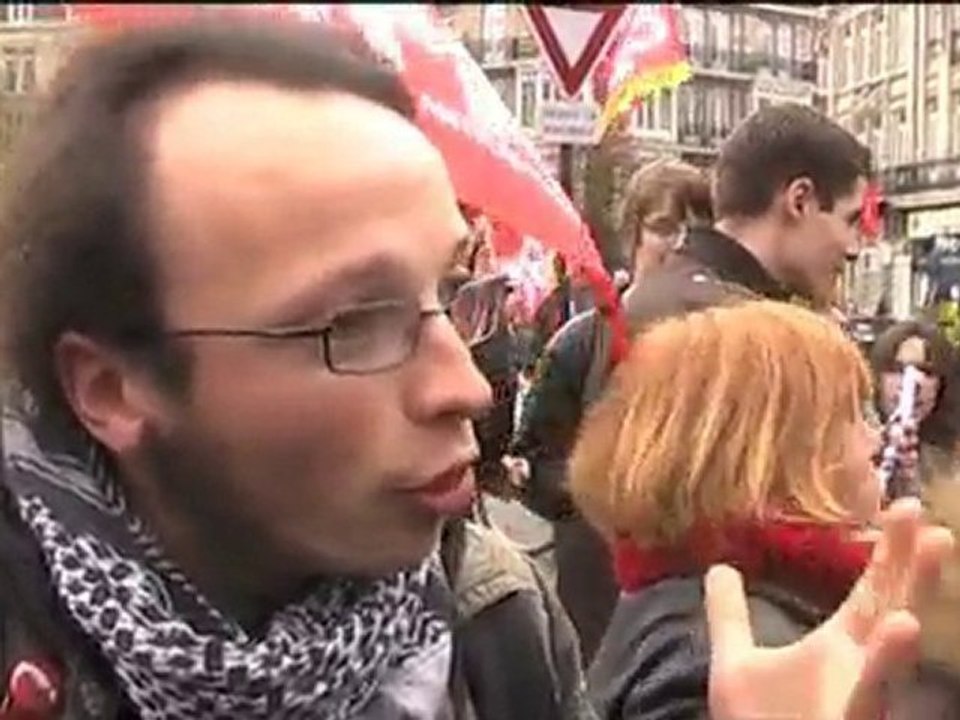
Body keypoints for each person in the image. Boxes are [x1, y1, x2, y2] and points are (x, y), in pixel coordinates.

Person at [0, 17, 949, 720]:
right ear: (113, 389)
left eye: (457, 290)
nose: (467, 384)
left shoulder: (492, 615)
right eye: (354, 323)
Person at [568, 300, 947, 719]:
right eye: (852, 416)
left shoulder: (691, 595)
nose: (875, 440)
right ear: (780, 451)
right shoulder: (729, 650)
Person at [514, 158, 713, 662]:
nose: (680, 244)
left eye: (697, 230)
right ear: (634, 236)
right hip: (600, 581)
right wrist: (609, 488)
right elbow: (534, 463)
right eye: (664, 228)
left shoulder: (725, 343)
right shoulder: (583, 343)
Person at [872, 321, 960, 497]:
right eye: (897, 369)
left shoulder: (951, 459)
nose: (912, 382)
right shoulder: (852, 448)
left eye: (926, 371)